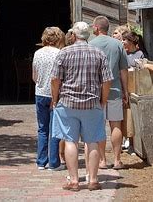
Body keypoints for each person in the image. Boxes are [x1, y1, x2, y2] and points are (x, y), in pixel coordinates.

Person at [51, 21, 113, 192]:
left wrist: (55, 99)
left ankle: (74, 181)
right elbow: (107, 80)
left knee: (70, 141)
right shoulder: (98, 53)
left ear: (73, 35)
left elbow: (55, 79)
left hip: (68, 102)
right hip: (92, 102)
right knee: (92, 141)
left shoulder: (64, 53)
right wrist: (103, 100)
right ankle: (93, 180)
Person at [89, 16, 128, 170]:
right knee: (116, 124)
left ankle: (103, 160)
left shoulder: (90, 45)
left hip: (96, 91)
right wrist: (126, 90)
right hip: (115, 89)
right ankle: (117, 160)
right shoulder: (118, 44)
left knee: (99, 125)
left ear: (97, 28)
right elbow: (123, 70)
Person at [32, 26, 65, 171]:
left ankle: (41, 161)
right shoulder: (59, 53)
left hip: (40, 93)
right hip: (54, 93)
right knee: (54, 128)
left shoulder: (37, 53)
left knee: (42, 129)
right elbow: (60, 76)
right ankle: (54, 162)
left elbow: (34, 76)